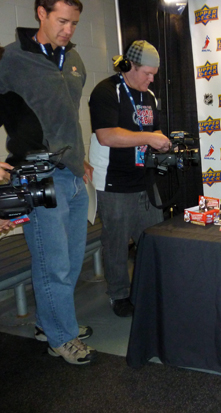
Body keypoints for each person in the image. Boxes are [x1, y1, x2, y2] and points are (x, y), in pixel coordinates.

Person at [0, 0, 96, 365]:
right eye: (62, 21)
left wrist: (80, 157)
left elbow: (67, 116)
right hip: (36, 176)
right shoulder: (12, 59)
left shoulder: (74, 61)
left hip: (70, 174)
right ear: (41, 13)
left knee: (70, 262)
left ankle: (51, 323)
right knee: (51, 262)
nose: (69, 30)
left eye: (74, 23)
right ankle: (61, 336)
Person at [88, 40, 171, 317]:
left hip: (143, 180)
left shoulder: (150, 96)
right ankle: (119, 295)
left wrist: (162, 145)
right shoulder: (106, 92)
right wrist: (149, 137)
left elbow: (154, 133)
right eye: (146, 73)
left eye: (154, 74)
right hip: (114, 182)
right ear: (129, 66)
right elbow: (107, 135)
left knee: (153, 239)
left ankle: (150, 289)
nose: (151, 79)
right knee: (116, 242)